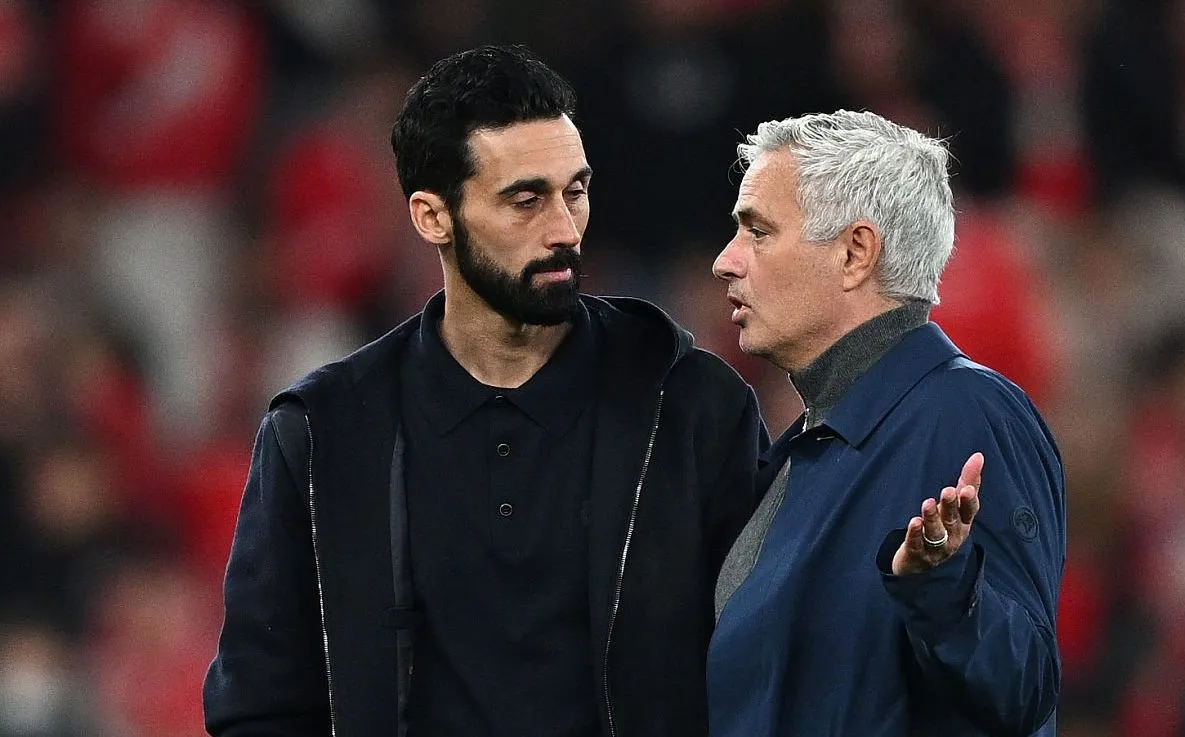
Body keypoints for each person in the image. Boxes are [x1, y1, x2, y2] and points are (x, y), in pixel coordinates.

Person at [203, 45, 765, 737]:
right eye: (525, 200)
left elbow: (762, 669)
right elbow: (259, 700)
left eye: (575, 191)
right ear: (432, 217)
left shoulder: (689, 407)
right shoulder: (323, 433)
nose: (562, 230)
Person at [707, 109, 1065, 736]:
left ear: (855, 253)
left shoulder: (966, 411)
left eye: (757, 232)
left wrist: (944, 590)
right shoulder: (801, 451)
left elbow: (1023, 691)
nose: (726, 261)